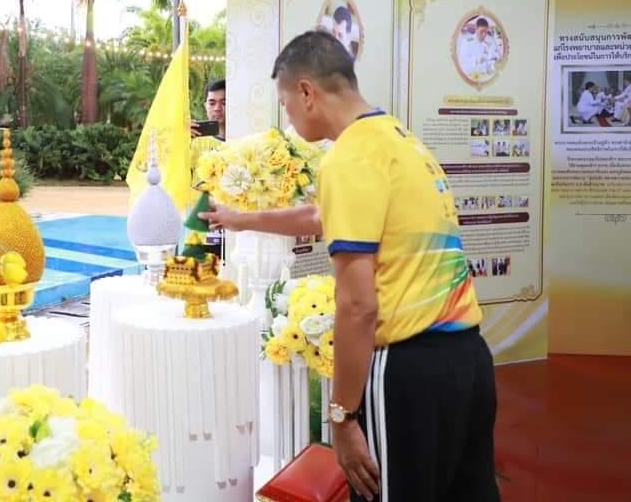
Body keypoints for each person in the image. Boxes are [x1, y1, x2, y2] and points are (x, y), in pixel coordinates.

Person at [201, 31, 496, 502]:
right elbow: (321, 216)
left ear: (306, 92)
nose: (289, 117)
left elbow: (358, 306)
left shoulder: (349, 157)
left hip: (409, 369)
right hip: (469, 359)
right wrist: (241, 219)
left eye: (286, 104)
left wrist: (342, 416)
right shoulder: (398, 141)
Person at [190, 80, 227, 257]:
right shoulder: (196, 143)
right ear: (205, 106)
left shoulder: (244, 142)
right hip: (203, 230)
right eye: (212, 103)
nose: (217, 108)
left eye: (224, 102)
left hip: (235, 228)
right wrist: (179, 137)